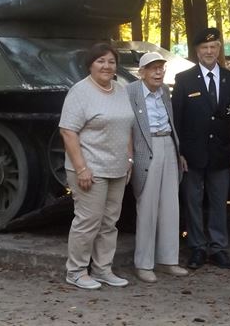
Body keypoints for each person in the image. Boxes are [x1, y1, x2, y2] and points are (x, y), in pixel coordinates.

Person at [60, 42, 135, 290]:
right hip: (90, 169)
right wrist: (81, 168)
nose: (106, 66)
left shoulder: (120, 90)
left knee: (109, 222)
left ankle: (102, 269)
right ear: (90, 65)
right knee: (87, 221)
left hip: (117, 168)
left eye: (111, 61)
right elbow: (68, 131)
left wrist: (129, 159)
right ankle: (77, 271)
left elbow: (126, 126)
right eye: (100, 61)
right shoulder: (80, 92)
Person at [172, 27, 230, 270]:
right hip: (192, 155)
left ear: (218, 49)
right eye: (204, 48)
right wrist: (179, 152)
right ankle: (196, 247)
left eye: (213, 47)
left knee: (218, 202)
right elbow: (177, 120)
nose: (209, 51)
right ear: (197, 51)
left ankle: (218, 248)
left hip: (221, 153)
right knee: (192, 201)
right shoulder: (184, 80)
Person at [127, 51, 189, 283]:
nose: (158, 72)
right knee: (147, 206)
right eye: (153, 68)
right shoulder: (131, 91)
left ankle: (168, 260)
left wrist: (178, 151)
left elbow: (171, 123)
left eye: (161, 67)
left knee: (171, 206)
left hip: (168, 146)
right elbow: (127, 127)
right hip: (146, 147)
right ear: (142, 72)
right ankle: (143, 264)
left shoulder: (164, 91)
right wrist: (130, 156)